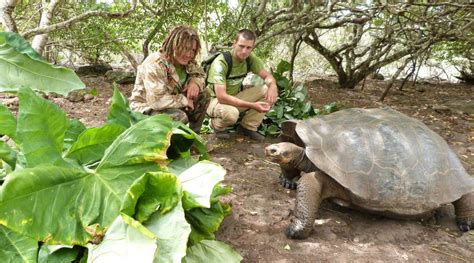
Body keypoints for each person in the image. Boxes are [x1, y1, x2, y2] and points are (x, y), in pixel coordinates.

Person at [129, 25, 209, 133]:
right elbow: (157, 101)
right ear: (173, 45)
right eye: (185, 48)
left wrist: (195, 83)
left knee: (204, 94)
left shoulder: (188, 63)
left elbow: (200, 74)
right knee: (178, 117)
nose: (189, 54)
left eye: (193, 50)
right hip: (146, 108)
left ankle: (193, 138)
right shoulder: (155, 63)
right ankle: (167, 147)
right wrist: (185, 100)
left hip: (172, 104)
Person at [205, 29, 278, 141]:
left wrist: (273, 86)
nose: (244, 51)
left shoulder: (250, 60)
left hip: (235, 97)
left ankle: (248, 127)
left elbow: (268, 77)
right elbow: (222, 97)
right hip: (215, 101)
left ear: (252, 48)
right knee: (232, 114)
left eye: (248, 48)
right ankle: (216, 125)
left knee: (267, 90)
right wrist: (252, 105)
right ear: (234, 44)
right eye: (241, 46)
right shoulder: (221, 62)